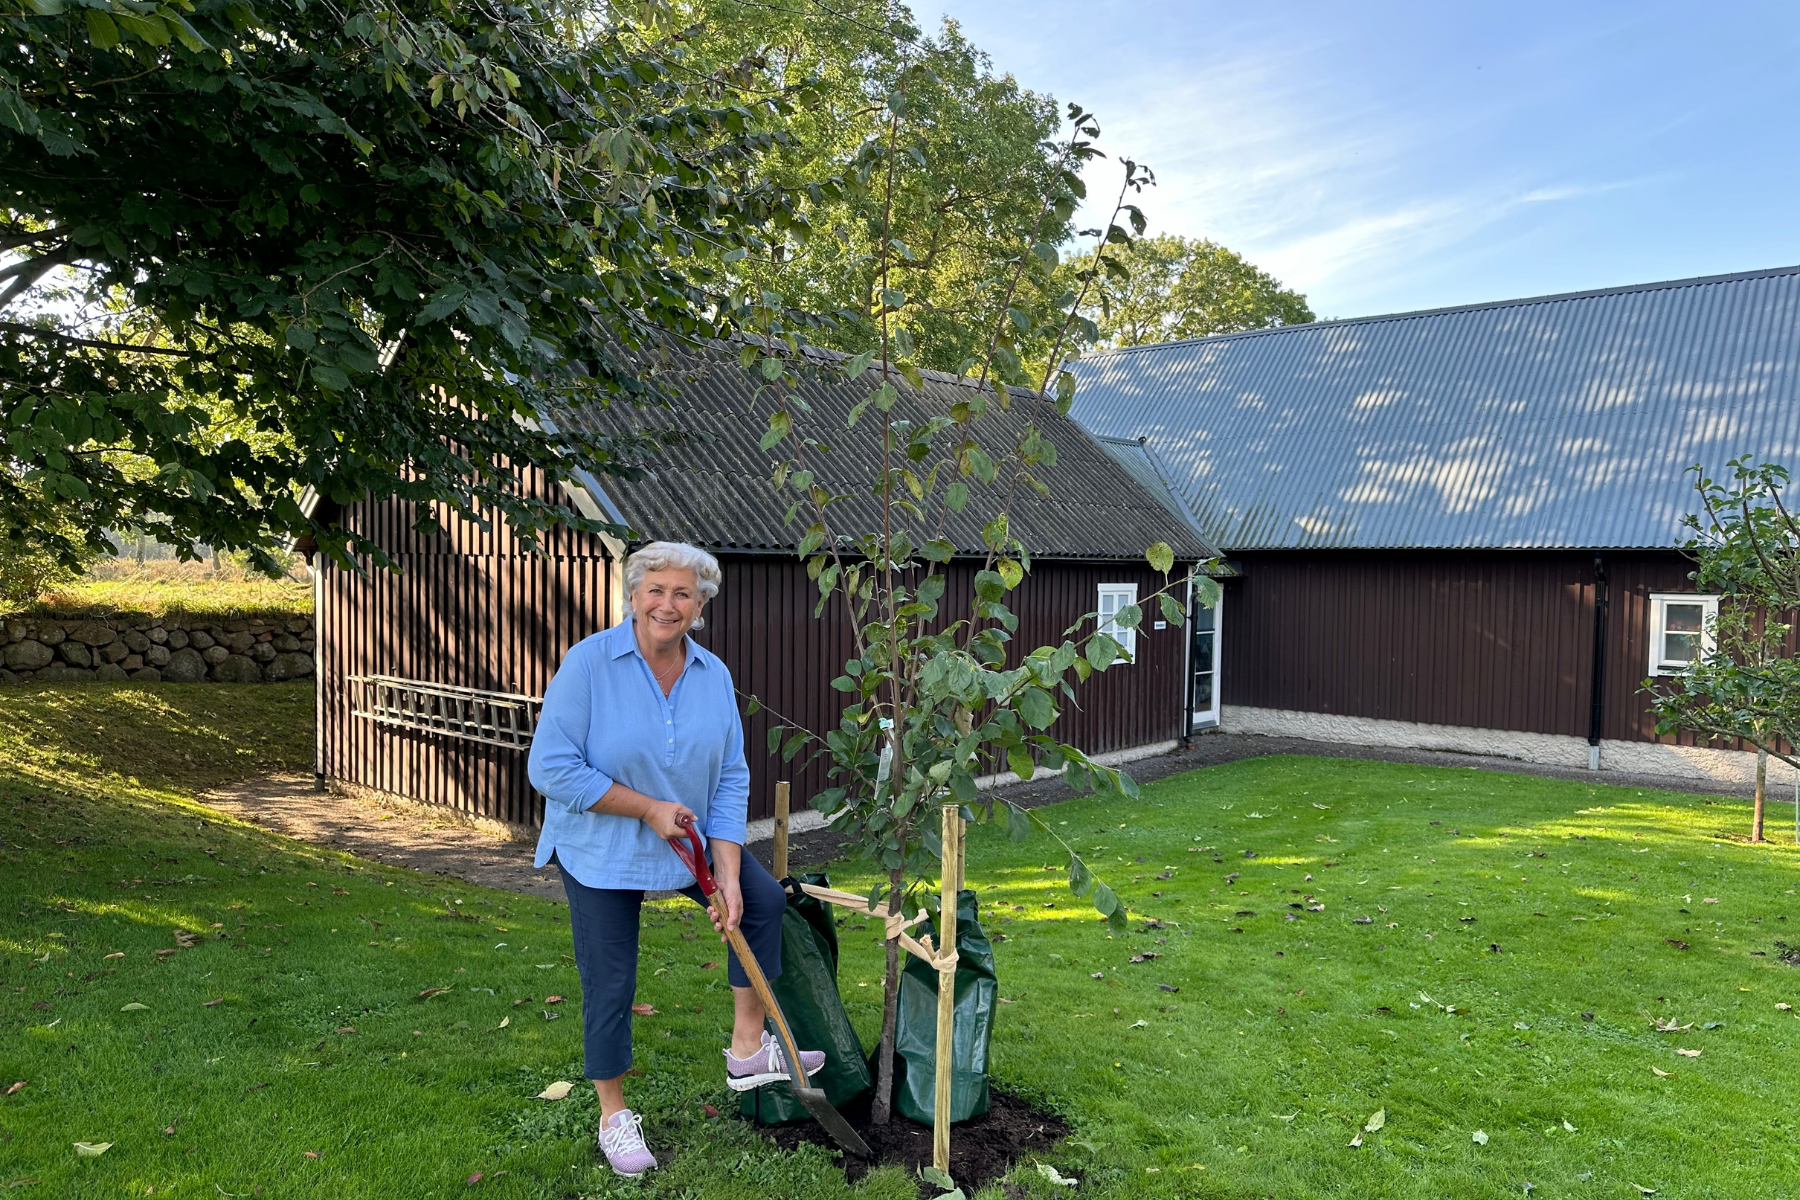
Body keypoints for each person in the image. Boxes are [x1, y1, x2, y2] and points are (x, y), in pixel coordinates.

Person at [528, 540, 825, 1178]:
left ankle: (748, 1047)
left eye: (683, 593)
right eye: (656, 590)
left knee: (763, 901)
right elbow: (550, 768)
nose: (668, 604)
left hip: (687, 840)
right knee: (611, 979)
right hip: (600, 846)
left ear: (700, 604)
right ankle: (614, 1115)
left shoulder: (712, 675)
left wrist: (725, 866)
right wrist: (646, 808)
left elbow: (730, 776)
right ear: (632, 595)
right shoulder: (589, 665)